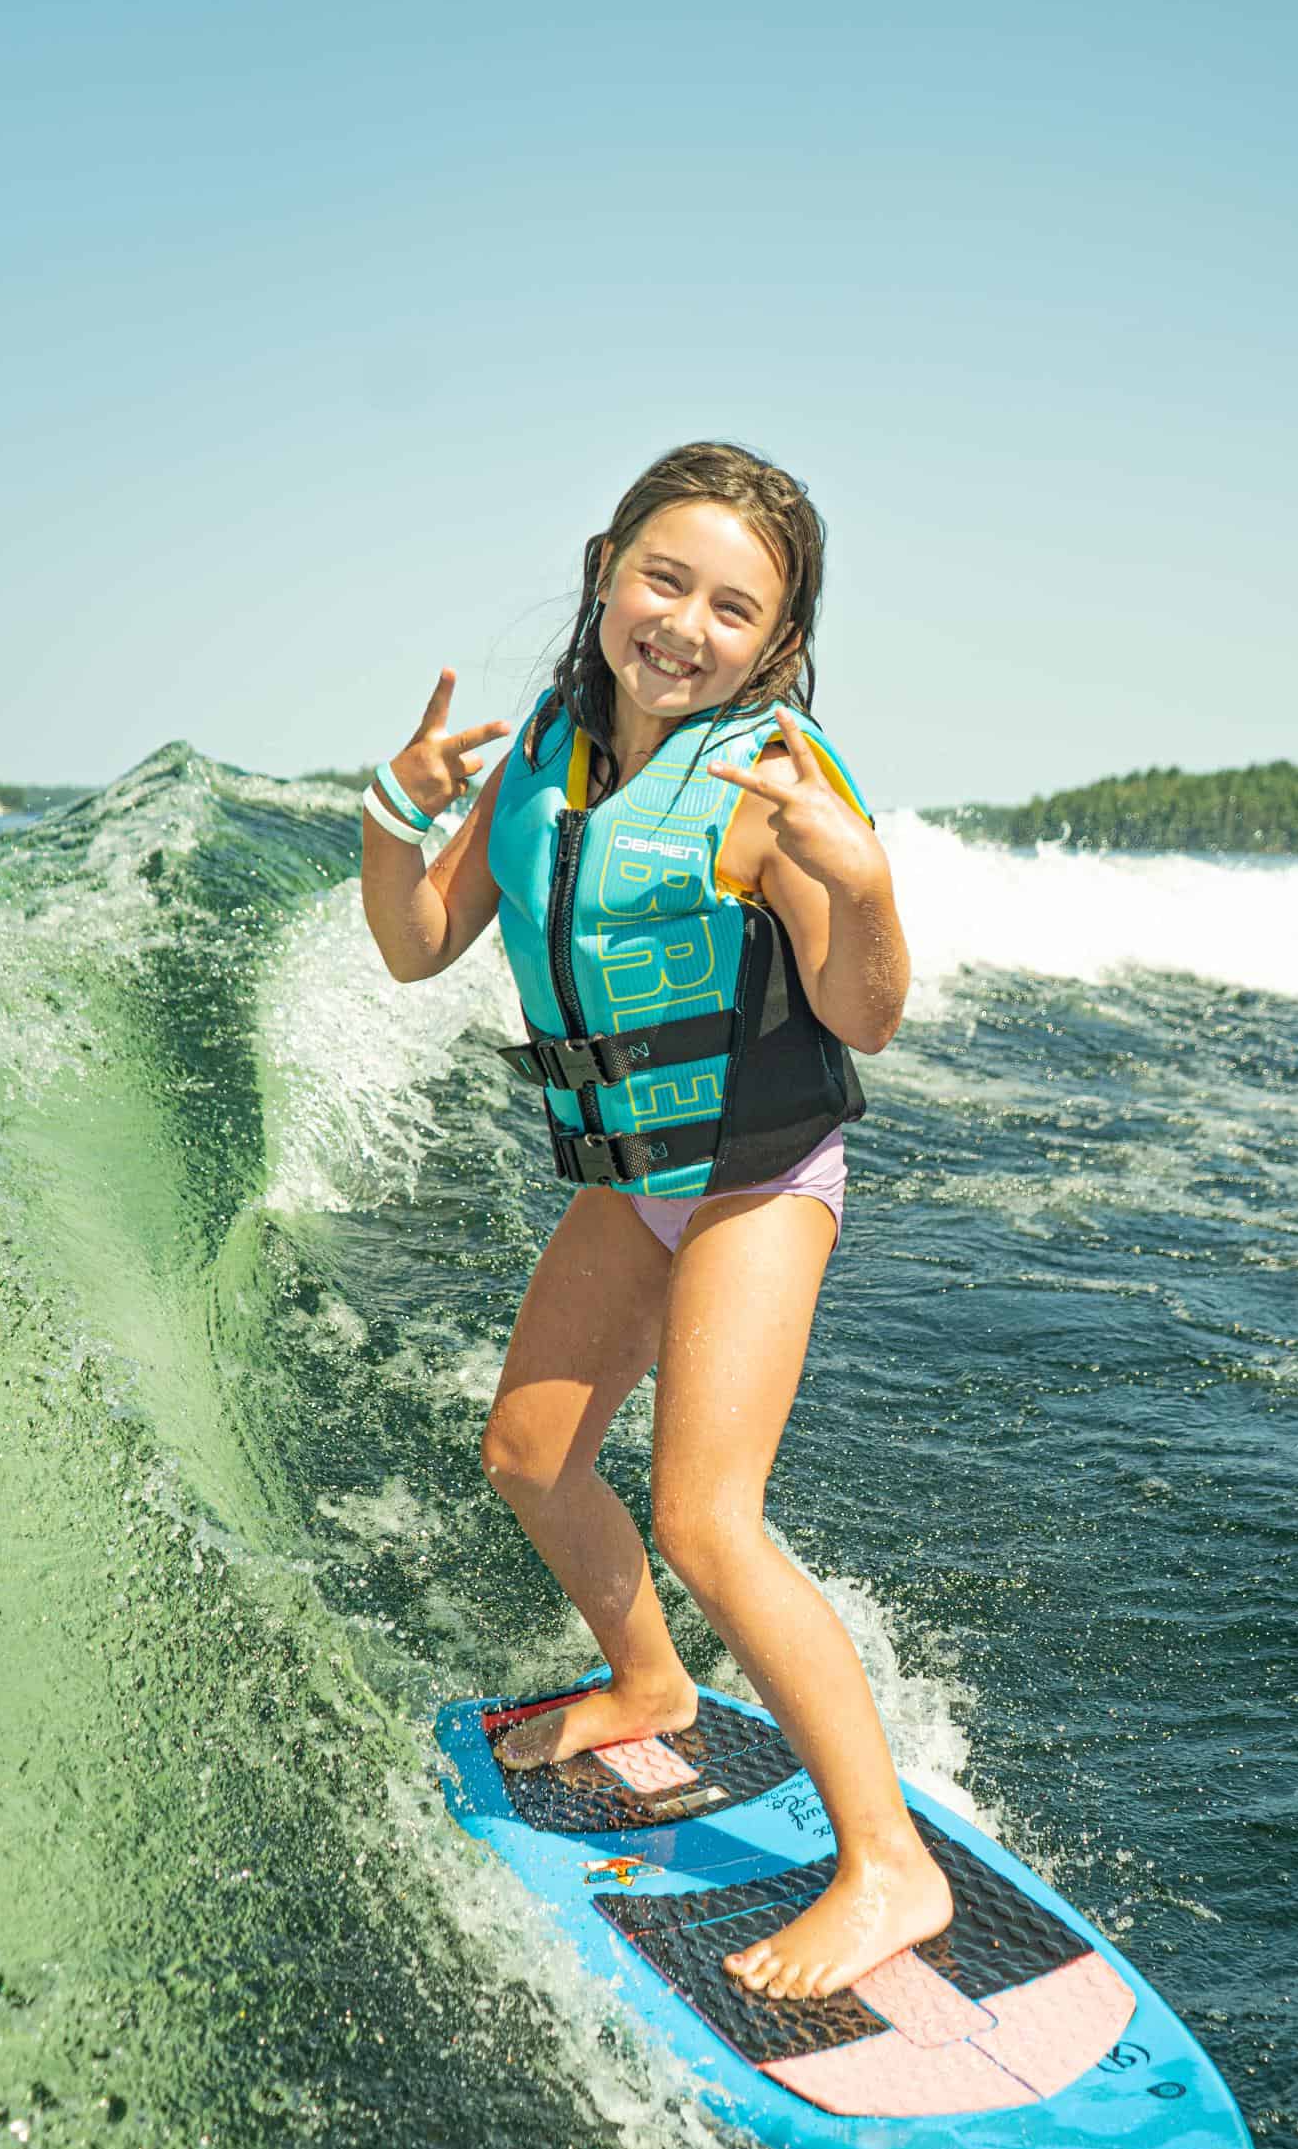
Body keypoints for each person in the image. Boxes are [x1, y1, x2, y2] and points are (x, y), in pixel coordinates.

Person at [358, 441, 951, 2000]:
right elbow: (420, 943)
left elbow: (865, 1016)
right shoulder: (550, 754)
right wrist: (385, 811)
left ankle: (892, 1866)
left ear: (778, 643)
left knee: (706, 1512)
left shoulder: (773, 779)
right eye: (663, 579)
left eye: (732, 607)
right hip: (633, 1177)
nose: (685, 625)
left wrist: (862, 884)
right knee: (529, 1453)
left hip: (756, 1173)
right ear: (606, 570)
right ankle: (648, 1676)